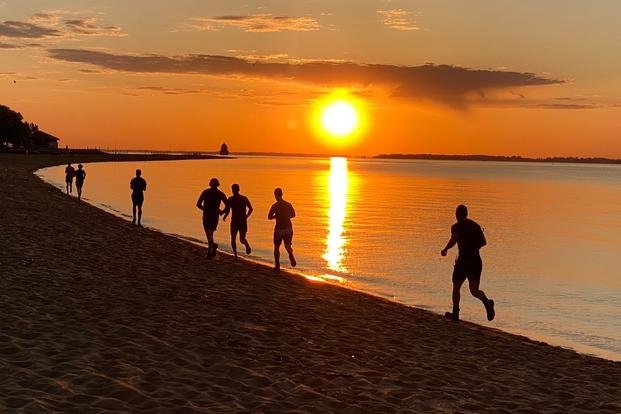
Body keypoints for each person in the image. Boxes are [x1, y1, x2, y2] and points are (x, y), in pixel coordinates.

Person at [441, 204, 495, 322]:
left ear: (457, 215)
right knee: (473, 290)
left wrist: (445, 249)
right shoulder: (475, 225)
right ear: (466, 214)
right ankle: (486, 302)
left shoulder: (456, 227)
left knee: (457, 287)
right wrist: (472, 246)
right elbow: (483, 242)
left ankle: (456, 314)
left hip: (464, 261)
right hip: (475, 260)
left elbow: (453, 240)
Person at [196, 178, 228, 258]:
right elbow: (228, 206)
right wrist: (222, 212)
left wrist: (206, 209)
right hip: (214, 215)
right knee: (210, 232)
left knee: (208, 232)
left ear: (210, 184)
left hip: (208, 215)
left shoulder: (206, 192)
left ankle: (211, 247)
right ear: (218, 185)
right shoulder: (220, 193)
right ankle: (211, 247)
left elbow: (198, 204)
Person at [268, 187, 296, 271]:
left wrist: (276, 216)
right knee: (287, 245)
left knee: (276, 247)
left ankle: (277, 266)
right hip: (288, 228)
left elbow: (269, 217)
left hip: (279, 229)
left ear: (275, 195)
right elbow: (293, 214)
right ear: (282, 194)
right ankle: (290, 254)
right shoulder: (288, 204)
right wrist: (286, 216)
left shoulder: (275, 206)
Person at [222, 184, 253, 258]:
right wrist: (246, 216)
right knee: (240, 239)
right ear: (239, 189)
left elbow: (227, 209)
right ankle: (238, 252)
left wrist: (224, 215)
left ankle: (236, 255)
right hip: (241, 221)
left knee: (234, 238)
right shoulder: (243, 198)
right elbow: (251, 209)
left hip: (236, 221)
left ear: (233, 190)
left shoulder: (232, 199)